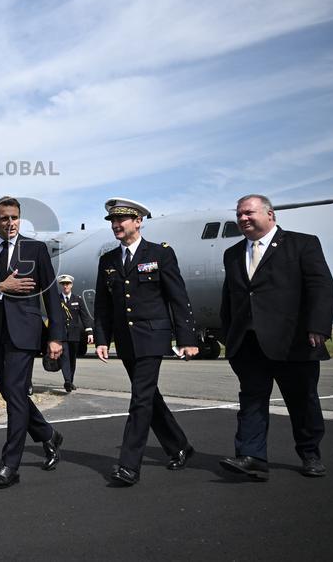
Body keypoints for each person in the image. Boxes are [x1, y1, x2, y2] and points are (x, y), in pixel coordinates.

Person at [219, 194, 333, 480]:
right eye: (239, 214)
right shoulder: (232, 253)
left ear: (270, 215)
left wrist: (318, 327)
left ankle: (310, 454)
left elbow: (321, 286)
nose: (243, 219)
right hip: (248, 344)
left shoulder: (302, 244)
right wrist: (227, 335)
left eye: (248, 213)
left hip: (292, 341)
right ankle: (252, 456)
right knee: (252, 401)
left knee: (302, 400)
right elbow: (229, 299)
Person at [94, 198, 198, 486]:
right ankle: (179, 446)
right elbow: (103, 305)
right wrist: (102, 339)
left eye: (122, 220)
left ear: (138, 221)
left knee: (140, 399)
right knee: (149, 396)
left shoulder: (161, 254)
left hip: (153, 336)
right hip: (126, 341)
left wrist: (186, 338)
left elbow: (178, 297)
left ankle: (128, 465)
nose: (116, 225)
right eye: (112, 222)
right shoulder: (108, 261)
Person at [0, 196, 65, 489]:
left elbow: (51, 295)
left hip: (24, 333)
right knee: (10, 392)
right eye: (4, 218)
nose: (10, 223)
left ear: (19, 218)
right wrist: (0, 286)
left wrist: (56, 336)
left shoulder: (35, 249)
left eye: (14, 217)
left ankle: (9, 465)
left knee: (14, 394)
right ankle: (48, 435)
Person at [56, 274, 93, 392]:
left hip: (74, 334)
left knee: (72, 358)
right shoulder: (57, 300)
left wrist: (89, 332)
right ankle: (67, 380)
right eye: (63, 284)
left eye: (67, 284)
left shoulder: (78, 299)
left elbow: (85, 316)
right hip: (62, 334)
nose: (65, 286)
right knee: (64, 357)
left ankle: (70, 381)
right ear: (61, 286)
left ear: (71, 285)